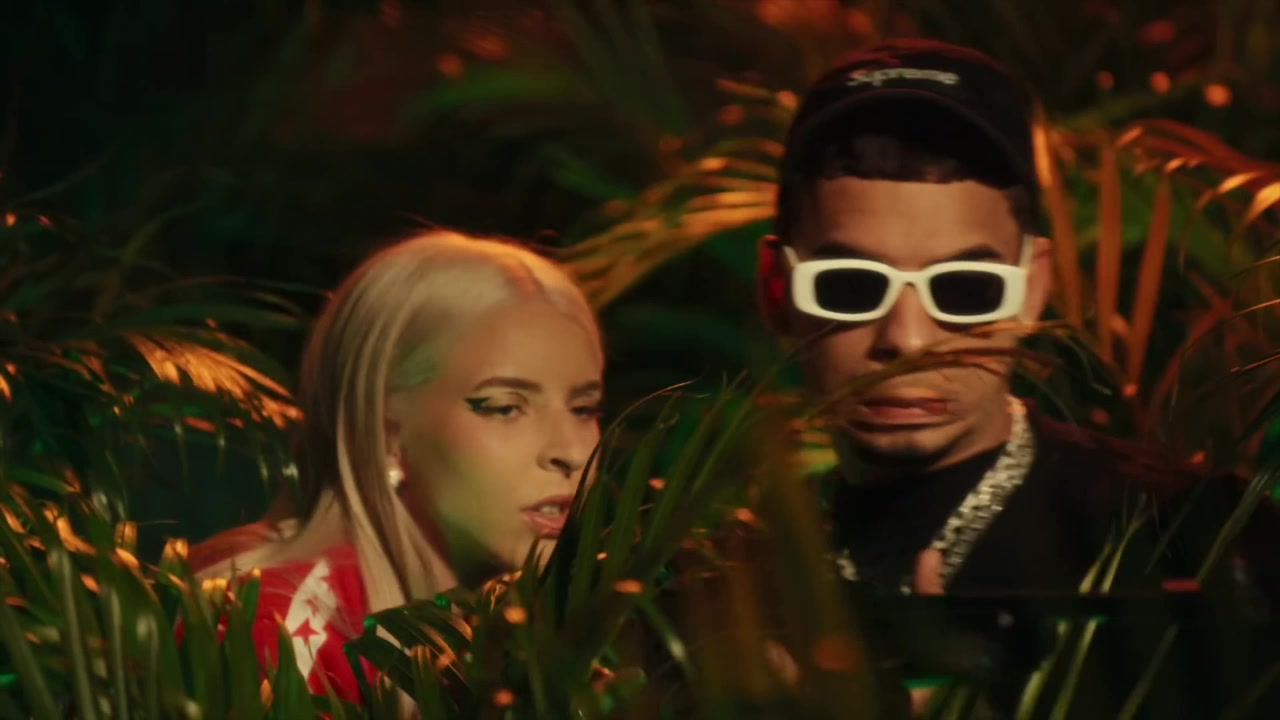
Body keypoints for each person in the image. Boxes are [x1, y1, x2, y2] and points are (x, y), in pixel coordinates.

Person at [757, 38, 1280, 718]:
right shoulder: (727, 576)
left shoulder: (1196, 542)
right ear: (777, 288)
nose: (907, 339)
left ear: (1033, 289)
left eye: (965, 289)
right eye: (851, 285)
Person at [191, 229, 606, 703]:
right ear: (386, 433)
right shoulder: (283, 638)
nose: (571, 452)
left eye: (584, 409)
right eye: (505, 408)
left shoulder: (554, 637)